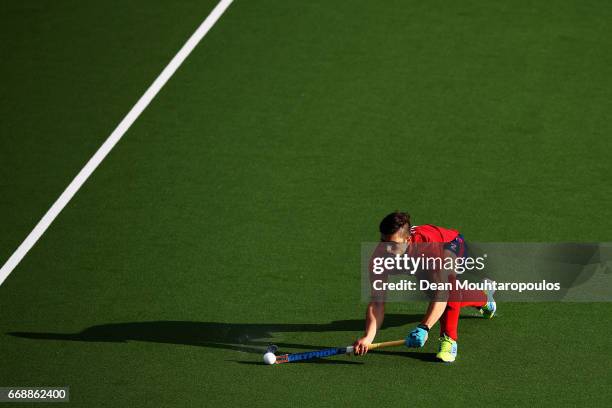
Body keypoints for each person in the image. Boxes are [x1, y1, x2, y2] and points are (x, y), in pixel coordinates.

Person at [353, 211, 496, 362]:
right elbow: (377, 302)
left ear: (407, 240)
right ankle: (484, 297)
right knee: (433, 292)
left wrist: (424, 327)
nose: (386, 250)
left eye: (393, 245)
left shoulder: (427, 246)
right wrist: (368, 338)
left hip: (450, 245)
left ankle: (449, 340)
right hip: (421, 262)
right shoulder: (379, 259)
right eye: (383, 242)